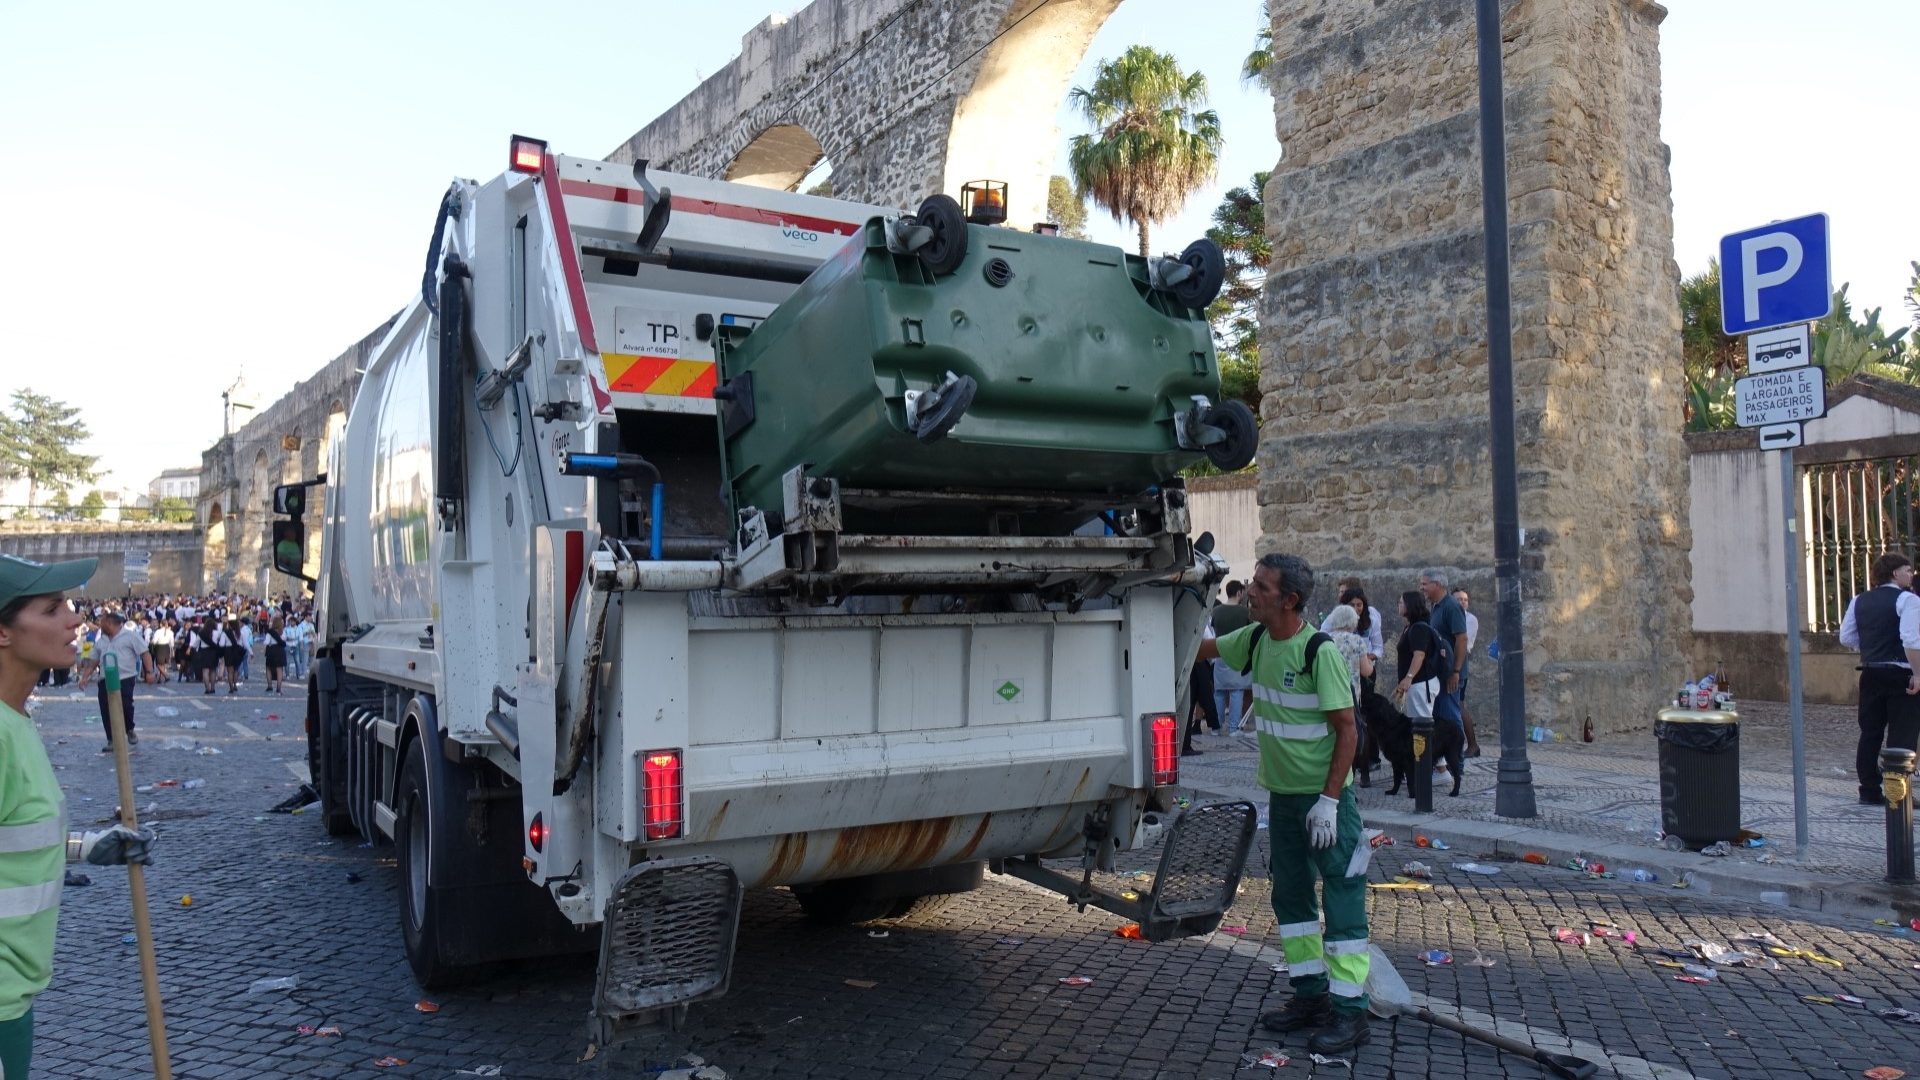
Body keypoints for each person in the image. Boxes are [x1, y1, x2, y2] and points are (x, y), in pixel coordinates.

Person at [1198, 554, 1370, 1055]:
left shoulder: (1319, 652)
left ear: (1289, 600)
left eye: (1261, 587)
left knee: (1341, 899)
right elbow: (1197, 650)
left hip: (1324, 803)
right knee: (1291, 901)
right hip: (1284, 801)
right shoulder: (1252, 639)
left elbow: (1347, 731)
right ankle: (1310, 995)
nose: (1251, 592)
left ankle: (1351, 1012)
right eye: (1252, 583)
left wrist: (1330, 801)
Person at [0, 554, 156, 1077]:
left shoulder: (15, 720)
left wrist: (88, 848)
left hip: (13, 999)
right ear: (3, 633)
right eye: (52, 608)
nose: (74, 619)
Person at [1838, 553, 1920, 805]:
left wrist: (1873, 647)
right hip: (1900, 672)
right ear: (1895, 573)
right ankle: (1898, 793)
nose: (1911, 574)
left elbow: (1846, 638)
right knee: (1901, 734)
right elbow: (1910, 639)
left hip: (1871, 671)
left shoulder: (1859, 600)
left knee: (1870, 732)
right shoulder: (1908, 600)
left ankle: (1869, 789)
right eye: (1907, 569)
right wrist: (1917, 673)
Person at [77, 610, 147, 752]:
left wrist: (150, 672)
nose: (100, 626)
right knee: (105, 709)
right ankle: (111, 740)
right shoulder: (101, 640)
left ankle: (129, 729)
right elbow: (94, 661)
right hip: (105, 678)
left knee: (126, 705)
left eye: (102, 624)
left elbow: (144, 652)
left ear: (110, 623)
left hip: (125, 677)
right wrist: (85, 677)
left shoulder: (130, 636)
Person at [1323, 604, 1378, 786]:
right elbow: (1366, 671)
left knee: (1330, 735)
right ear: (1352, 622)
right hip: (1349, 695)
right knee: (1353, 734)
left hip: (1327, 693)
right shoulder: (1357, 641)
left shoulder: (1324, 639)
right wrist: (1371, 663)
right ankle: (1352, 777)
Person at [1419, 570, 1472, 755]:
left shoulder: (1451, 606)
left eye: (1425, 584)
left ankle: (1456, 761)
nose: (1421, 587)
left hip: (1451, 673)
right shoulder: (1436, 606)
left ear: (1437, 584)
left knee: (1451, 716)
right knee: (1442, 716)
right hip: (1442, 672)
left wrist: (1455, 671)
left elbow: (1462, 639)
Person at [1212, 581, 1253, 733]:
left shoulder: (1216, 611)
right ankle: (1233, 728)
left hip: (1219, 653)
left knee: (1219, 691)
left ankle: (1216, 727)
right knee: (1237, 690)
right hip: (1238, 654)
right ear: (1239, 593)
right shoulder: (1244, 612)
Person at [1453, 588, 1479, 751]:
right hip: (1455, 662)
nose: (1462, 602)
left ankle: (1472, 744)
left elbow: (1463, 642)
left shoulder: (1469, 619)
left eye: (1465, 599)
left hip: (1460, 663)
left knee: (1459, 704)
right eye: (1459, 599)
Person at [263, 618, 288, 695]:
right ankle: (278, 688)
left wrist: (265, 650)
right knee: (279, 669)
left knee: (268, 668)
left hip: (271, 651)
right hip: (280, 651)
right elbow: (284, 641)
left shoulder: (270, 632)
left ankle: (270, 686)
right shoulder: (283, 632)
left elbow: (266, 642)